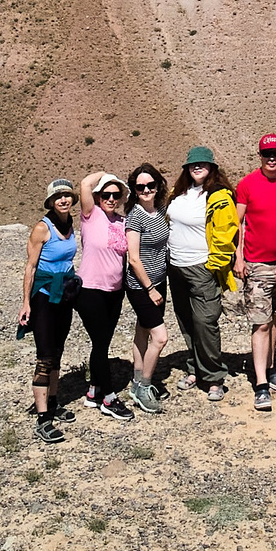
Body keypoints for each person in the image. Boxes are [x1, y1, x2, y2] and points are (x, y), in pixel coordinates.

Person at [232, 134, 276, 411]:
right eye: (266, 153)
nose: (271, 158)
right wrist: (238, 258)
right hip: (258, 263)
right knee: (260, 322)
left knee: (275, 319)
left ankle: (271, 369)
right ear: (259, 155)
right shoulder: (247, 184)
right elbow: (237, 224)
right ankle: (261, 384)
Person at [165, 146, 236, 401]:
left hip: (201, 267)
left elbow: (228, 231)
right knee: (186, 320)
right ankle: (196, 369)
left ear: (212, 168)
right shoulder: (178, 194)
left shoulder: (219, 196)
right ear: (187, 168)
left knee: (205, 322)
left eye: (203, 164)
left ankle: (214, 377)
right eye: (193, 165)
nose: (197, 168)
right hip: (176, 267)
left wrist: (214, 263)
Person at [17, 178, 81, 444]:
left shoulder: (69, 225)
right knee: (44, 356)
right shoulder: (43, 229)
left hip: (64, 295)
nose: (64, 201)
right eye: (58, 198)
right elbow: (30, 267)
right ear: (51, 202)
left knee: (57, 351)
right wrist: (25, 303)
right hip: (44, 296)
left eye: (67, 196)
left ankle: (53, 403)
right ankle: (43, 419)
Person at [74, 172, 134, 421]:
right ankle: (108, 398)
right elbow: (84, 183)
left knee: (103, 342)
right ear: (98, 197)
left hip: (114, 290)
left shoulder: (122, 221)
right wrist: (108, 175)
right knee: (100, 343)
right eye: (105, 194)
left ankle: (93, 390)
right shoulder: (91, 215)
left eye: (115, 195)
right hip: (90, 289)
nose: (110, 198)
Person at [122, 163, 171, 413]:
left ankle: (136, 378)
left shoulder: (161, 210)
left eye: (150, 185)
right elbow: (134, 258)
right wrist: (150, 288)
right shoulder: (135, 217)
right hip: (142, 286)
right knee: (160, 337)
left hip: (160, 281)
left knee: (142, 331)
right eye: (140, 187)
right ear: (134, 189)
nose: (146, 190)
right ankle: (144, 386)